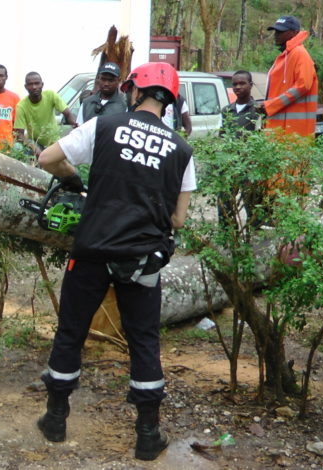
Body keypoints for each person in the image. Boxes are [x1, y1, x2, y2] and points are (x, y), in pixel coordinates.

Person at [35, 62, 195, 461]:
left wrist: (74, 178)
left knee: (71, 330)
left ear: (135, 91)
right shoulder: (182, 150)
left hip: (92, 251)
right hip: (142, 261)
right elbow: (178, 219)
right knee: (143, 340)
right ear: (168, 100)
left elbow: (47, 159)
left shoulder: (103, 127)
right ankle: (147, 435)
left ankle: (55, 420)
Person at [256, 15, 317, 137]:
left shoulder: (299, 54)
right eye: (275, 31)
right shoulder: (286, 55)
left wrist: (271, 105)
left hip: (293, 131)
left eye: (280, 32)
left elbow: (303, 85)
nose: (276, 35)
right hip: (280, 128)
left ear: (294, 33)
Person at [219, 70, 263, 227]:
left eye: (242, 83)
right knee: (225, 201)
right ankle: (228, 238)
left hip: (249, 165)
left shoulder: (258, 110)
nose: (238, 87)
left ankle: (255, 238)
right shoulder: (226, 111)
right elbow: (222, 136)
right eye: (235, 84)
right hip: (229, 164)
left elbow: (262, 138)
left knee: (252, 203)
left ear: (250, 85)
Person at [14, 72, 77, 156]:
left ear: (42, 84)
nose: (34, 87)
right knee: (17, 147)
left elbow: (67, 113)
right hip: (35, 143)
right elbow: (20, 135)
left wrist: (75, 125)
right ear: (26, 87)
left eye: (37, 83)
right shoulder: (21, 106)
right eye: (30, 84)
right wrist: (35, 149)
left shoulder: (51, 95)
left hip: (53, 143)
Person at [0, 64, 20, 149]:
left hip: (7, 146)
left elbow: (17, 126)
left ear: (6, 77)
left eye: (1, 76)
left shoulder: (14, 98)